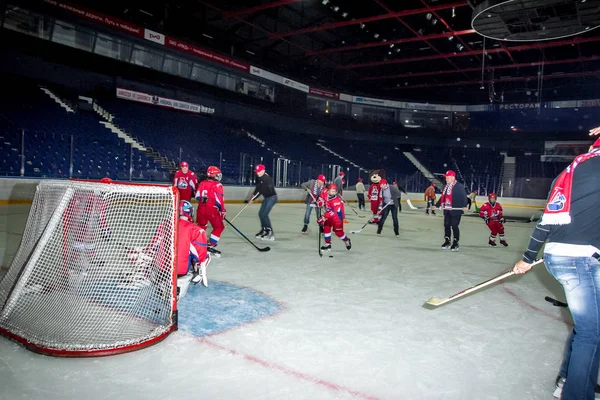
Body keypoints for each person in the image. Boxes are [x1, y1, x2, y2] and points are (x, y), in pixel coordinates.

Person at [513, 137, 600, 400]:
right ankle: (575, 393)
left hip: (558, 255)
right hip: (580, 260)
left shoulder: (568, 173)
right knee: (591, 332)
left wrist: (527, 258)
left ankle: (569, 379)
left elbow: (545, 222)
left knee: (589, 325)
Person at [176, 200, 210, 297]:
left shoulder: (165, 224)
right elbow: (200, 255)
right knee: (205, 256)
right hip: (180, 270)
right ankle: (196, 272)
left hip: (162, 269)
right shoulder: (196, 230)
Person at [195, 166, 226, 256]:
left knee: (201, 227)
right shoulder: (218, 185)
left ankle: (198, 244)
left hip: (201, 209)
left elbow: (197, 197)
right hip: (211, 210)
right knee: (219, 227)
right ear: (214, 175)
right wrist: (222, 211)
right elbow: (219, 200)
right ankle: (211, 245)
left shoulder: (202, 183)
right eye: (217, 174)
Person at [436, 170, 468, 252]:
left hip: (456, 210)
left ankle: (455, 242)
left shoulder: (459, 186)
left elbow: (464, 197)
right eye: (446, 177)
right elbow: (442, 197)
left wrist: (464, 206)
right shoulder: (446, 186)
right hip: (447, 210)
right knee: (446, 225)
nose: (446, 179)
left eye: (448, 177)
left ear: (453, 177)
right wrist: (436, 205)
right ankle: (447, 241)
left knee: (454, 226)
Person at [317, 184, 351, 251]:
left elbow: (333, 212)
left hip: (338, 217)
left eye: (334, 191)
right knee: (326, 228)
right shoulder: (324, 191)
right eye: (331, 191)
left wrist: (323, 218)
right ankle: (328, 244)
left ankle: (346, 240)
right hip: (329, 214)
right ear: (328, 190)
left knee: (338, 233)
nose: (333, 193)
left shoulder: (336, 201)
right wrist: (320, 202)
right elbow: (321, 197)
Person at [248, 164, 277, 240]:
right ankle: (264, 229)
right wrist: (253, 196)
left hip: (272, 198)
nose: (257, 173)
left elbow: (261, 190)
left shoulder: (266, 179)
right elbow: (258, 188)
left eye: (259, 171)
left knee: (264, 214)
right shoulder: (261, 177)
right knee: (261, 213)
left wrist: (253, 199)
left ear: (263, 171)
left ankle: (270, 232)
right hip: (267, 198)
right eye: (257, 171)